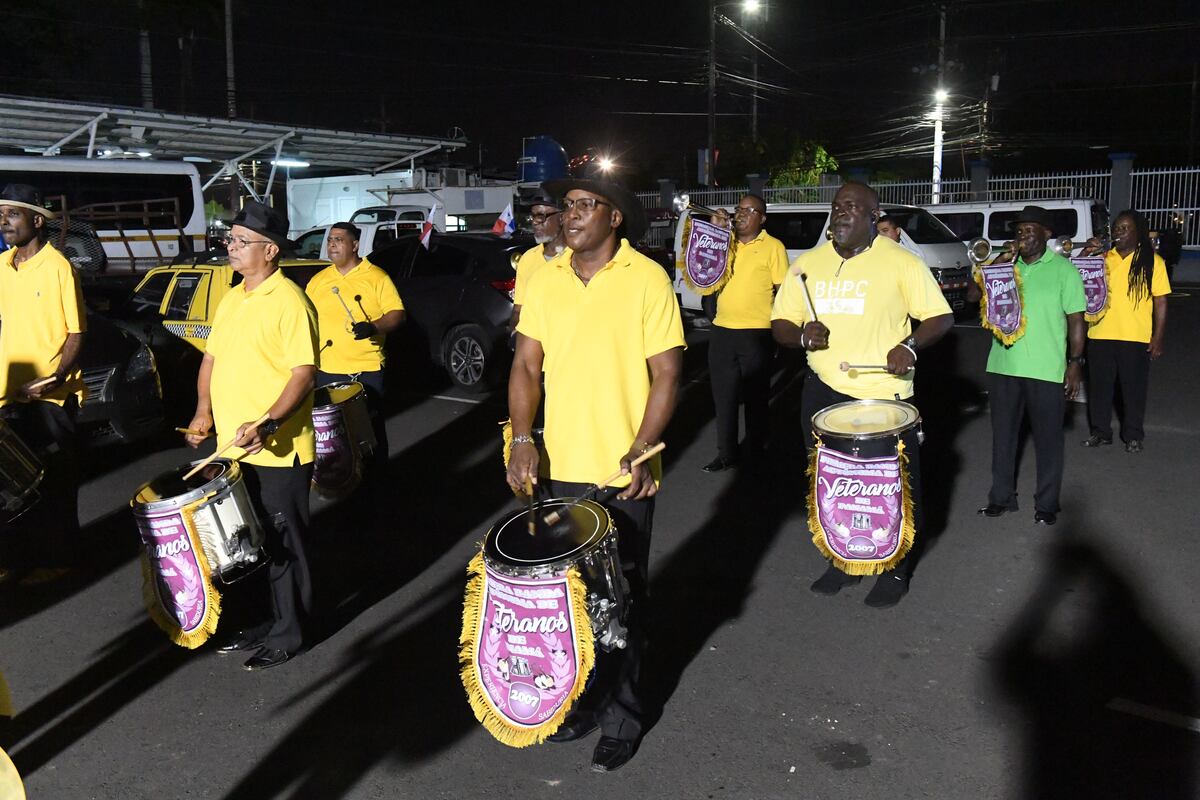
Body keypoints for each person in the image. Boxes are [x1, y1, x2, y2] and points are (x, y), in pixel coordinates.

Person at [506, 176, 685, 772]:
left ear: (615, 219)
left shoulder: (646, 278)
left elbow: (666, 373)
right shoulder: (546, 279)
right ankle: (578, 701)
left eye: (586, 205)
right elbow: (526, 365)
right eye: (569, 206)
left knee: (623, 599)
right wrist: (523, 438)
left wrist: (641, 450)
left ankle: (624, 716)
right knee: (567, 601)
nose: (571, 213)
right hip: (556, 470)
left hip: (621, 473)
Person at [771, 182, 953, 608]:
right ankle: (844, 560)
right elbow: (780, 323)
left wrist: (908, 346)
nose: (841, 213)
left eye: (853, 207)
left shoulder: (901, 263)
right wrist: (800, 335)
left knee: (891, 485)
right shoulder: (807, 265)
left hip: (883, 396)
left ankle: (896, 567)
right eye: (837, 207)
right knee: (832, 482)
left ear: (874, 215)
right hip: (823, 393)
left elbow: (940, 317)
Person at [184, 201, 319, 671]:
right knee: (248, 543)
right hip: (232, 448)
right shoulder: (232, 296)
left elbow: (303, 373)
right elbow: (211, 360)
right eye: (231, 239)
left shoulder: (290, 301)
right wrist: (203, 412)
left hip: (277, 449)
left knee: (286, 543)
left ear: (271, 250)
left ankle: (291, 633)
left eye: (241, 242)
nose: (231, 247)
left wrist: (269, 422)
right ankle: (267, 620)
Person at [969, 205, 1086, 526]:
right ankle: (1001, 498)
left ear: (1046, 234)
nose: (1022, 235)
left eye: (1030, 230)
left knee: (1049, 441)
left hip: (1046, 370)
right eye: (1019, 231)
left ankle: (1047, 504)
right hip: (1003, 366)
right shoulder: (1005, 267)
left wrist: (1075, 363)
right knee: (1003, 438)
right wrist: (993, 265)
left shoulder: (1064, 270)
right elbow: (970, 296)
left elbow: (1077, 319)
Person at [0, 184, 86, 577]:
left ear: (37, 220)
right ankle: (21, 560)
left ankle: (64, 562)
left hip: (52, 398)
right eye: (1, 215)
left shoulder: (58, 267)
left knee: (55, 485)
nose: (4, 222)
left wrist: (58, 376)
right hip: (8, 396)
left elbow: (76, 332)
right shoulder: (2, 266)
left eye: (12, 214)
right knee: (15, 488)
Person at [304, 222, 405, 497]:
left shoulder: (376, 276)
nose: (332, 245)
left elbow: (397, 314)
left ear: (355, 245)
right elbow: (306, 320)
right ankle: (340, 481)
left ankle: (377, 486)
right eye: (330, 240)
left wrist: (373, 327)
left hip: (365, 370)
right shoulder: (319, 280)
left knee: (369, 433)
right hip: (328, 368)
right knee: (332, 435)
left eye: (339, 240)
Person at [701, 194, 788, 472]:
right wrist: (716, 233)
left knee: (756, 398)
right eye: (738, 209)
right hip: (723, 331)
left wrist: (780, 329)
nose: (740, 215)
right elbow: (704, 277)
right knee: (723, 397)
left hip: (757, 333)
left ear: (761, 218)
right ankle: (726, 453)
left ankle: (755, 450)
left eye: (748, 211)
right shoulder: (724, 244)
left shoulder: (773, 247)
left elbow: (782, 290)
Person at [1079, 210, 1170, 453]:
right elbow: (1076, 277)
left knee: (1133, 390)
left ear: (1138, 231)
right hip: (1099, 334)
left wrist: (1158, 338)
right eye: (1116, 228)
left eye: (1125, 228)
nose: (1118, 232)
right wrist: (1085, 253)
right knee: (1099, 388)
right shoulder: (1102, 258)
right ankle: (1100, 432)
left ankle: (1133, 435)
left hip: (1134, 337)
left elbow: (1161, 302)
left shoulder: (1152, 261)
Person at [510, 188, 568, 330]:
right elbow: (518, 310)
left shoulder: (578, 257)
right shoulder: (528, 259)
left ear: (562, 218)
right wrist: (515, 335)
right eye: (533, 217)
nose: (535, 222)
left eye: (541, 216)